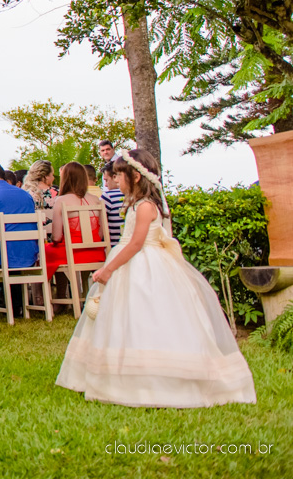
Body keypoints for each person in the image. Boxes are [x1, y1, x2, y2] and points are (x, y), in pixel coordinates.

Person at [56, 149, 256, 408]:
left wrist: (108, 269)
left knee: (148, 316)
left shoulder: (145, 206)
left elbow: (136, 243)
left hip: (142, 265)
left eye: (119, 175)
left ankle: (155, 377)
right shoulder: (137, 205)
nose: (116, 180)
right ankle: (119, 373)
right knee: (124, 319)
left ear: (136, 177)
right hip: (132, 262)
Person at [0, 160, 39, 316]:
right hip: (29, 255)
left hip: (3, 257)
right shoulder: (25, 195)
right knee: (10, 248)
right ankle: (15, 305)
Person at [43, 162, 106, 281]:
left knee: (47, 251)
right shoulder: (96, 200)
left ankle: (60, 295)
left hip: (72, 253)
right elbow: (101, 234)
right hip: (96, 252)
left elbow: (56, 237)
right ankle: (84, 290)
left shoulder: (61, 200)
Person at [100, 163, 125, 245]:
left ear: (115, 177)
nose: (106, 185)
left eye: (106, 180)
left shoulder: (108, 196)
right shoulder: (134, 195)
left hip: (114, 246)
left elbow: (98, 224)